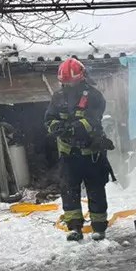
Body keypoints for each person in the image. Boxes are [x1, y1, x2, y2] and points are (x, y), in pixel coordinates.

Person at [44, 58, 112, 242]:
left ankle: (99, 227)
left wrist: (74, 128)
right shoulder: (58, 97)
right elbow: (49, 118)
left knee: (96, 189)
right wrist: (56, 126)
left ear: (81, 78)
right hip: (68, 154)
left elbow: (93, 119)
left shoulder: (94, 95)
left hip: (92, 153)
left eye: (71, 82)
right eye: (65, 82)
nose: (68, 85)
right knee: (69, 190)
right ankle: (74, 228)